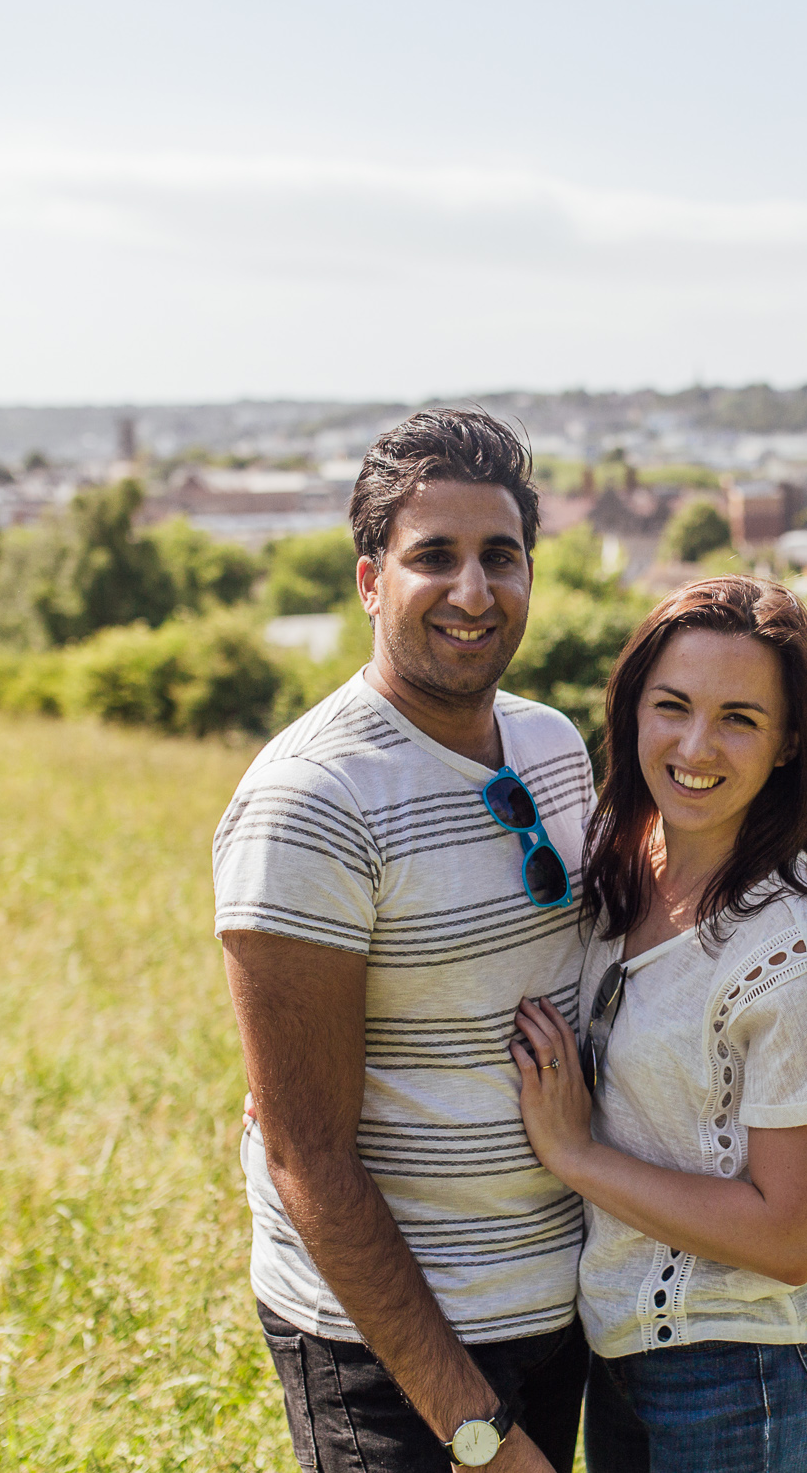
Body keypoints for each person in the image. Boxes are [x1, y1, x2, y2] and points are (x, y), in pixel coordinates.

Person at [214, 409, 593, 1472]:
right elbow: (309, 1159)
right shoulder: (310, 801)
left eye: (501, 557)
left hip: (552, 1306)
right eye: (434, 557)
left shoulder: (558, 748)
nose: (474, 592)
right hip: (393, 1353)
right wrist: (475, 1430)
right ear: (371, 580)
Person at [507, 577, 807, 1473]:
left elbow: (789, 1239)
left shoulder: (794, 940)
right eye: (671, 706)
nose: (695, 746)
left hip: (752, 1370)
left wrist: (576, 1156)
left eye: (739, 719)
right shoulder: (617, 862)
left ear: (790, 742)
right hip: (621, 1349)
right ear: (632, 708)